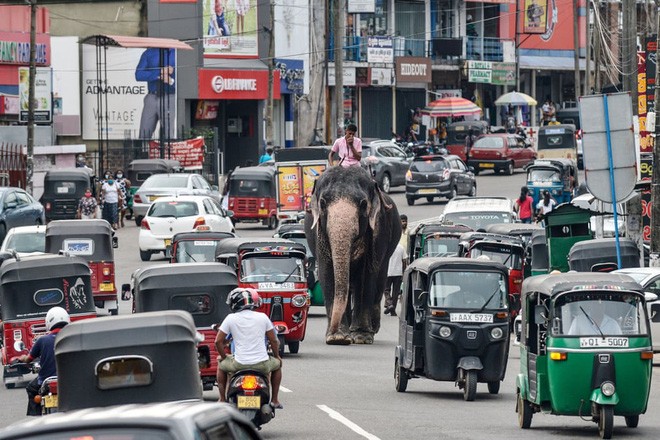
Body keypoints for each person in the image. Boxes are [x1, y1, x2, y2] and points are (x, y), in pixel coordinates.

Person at [215, 288, 283, 408]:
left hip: (238, 364)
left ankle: (222, 399)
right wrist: (277, 356)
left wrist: (224, 357)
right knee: (277, 365)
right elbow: (274, 340)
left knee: (221, 366)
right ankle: (275, 400)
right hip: (262, 364)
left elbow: (218, 341)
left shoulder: (230, 318)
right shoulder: (263, 317)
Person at [18, 307, 70, 416]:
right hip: (69, 379)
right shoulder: (72, 337)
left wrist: (22, 358)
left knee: (31, 388)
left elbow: (28, 359)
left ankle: (37, 417)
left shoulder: (42, 340)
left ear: (49, 322)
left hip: (46, 380)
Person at [135, 47, 176, 140]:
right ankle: (143, 153)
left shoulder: (177, 53)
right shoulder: (149, 52)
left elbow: (186, 78)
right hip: (152, 96)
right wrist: (159, 72)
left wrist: (171, 81)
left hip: (170, 96)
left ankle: (166, 153)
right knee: (144, 133)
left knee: (169, 134)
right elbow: (138, 75)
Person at [383, 243, 407, 316]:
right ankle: (393, 310)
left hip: (388, 272)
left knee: (386, 290)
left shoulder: (387, 247)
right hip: (398, 273)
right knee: (395, 292)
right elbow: (404, 261)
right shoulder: (401, 248)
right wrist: (404, 271)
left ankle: (389, 304)